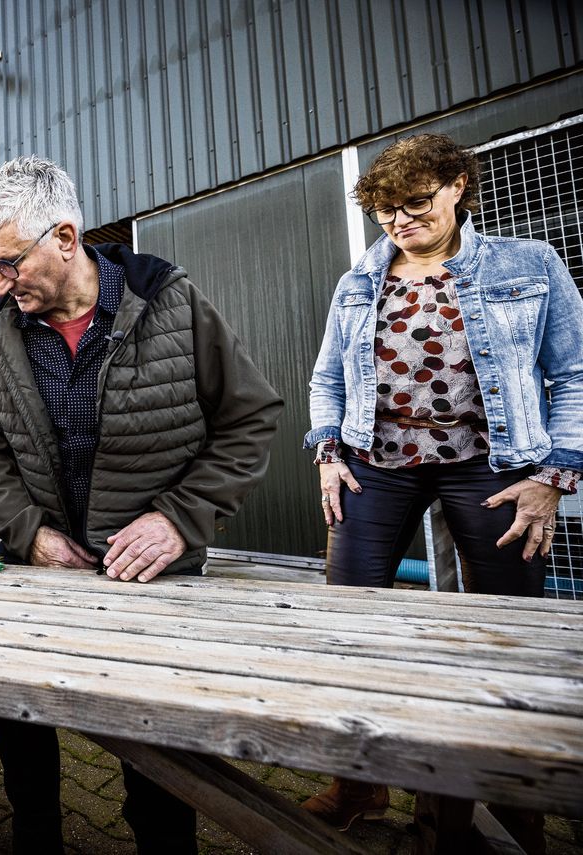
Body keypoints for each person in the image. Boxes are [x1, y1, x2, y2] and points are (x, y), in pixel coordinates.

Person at [0, 155, 283, 855]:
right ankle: (36, 835)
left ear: (67, 237)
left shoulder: (170, 301)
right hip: (38, 571)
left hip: (150, 580)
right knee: (18, 721)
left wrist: (179, 517)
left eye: (11, 262)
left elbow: (249, 419)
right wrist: (30, 532)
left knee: (157, 768)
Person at [304, 133, 581, 851]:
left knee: (508, 632)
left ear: (458, 184)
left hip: (491, 466)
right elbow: (327, 378)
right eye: (386, 211)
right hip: (377, 463)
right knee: (350, 623)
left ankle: (517, 793)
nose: (400, 221)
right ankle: (359, 779)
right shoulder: (359, 281)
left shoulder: (529, 264)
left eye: (416, 203)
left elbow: (575, 373)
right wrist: (328, 451)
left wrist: (553, 476)